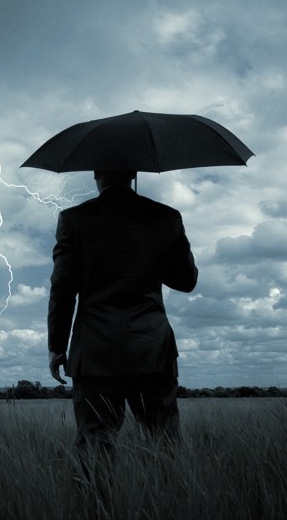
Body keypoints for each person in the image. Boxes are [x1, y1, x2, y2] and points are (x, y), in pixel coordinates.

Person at [47, 169, 198, 451]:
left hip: (95, 349)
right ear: (133, 174)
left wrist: (57, 346)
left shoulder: (74, 219)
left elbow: (62, 289)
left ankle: (97, 483)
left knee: (95, 444)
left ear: (96, 175)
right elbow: (186, 281)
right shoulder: (166, 217)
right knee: (165, 442)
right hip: (152, 348)